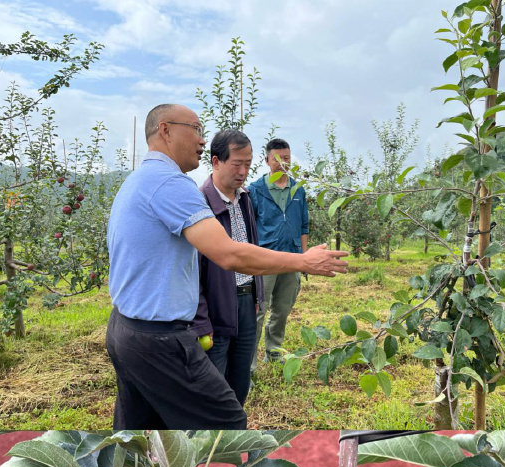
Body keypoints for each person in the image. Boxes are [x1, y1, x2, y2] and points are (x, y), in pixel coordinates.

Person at [105, 104, 348, 429]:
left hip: (125, 328)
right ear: (165, 130)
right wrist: (303, 260)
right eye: (196, 129)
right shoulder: (171, 184)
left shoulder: (137, 180)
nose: (201, 140)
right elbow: (229, 255)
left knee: (141, 431)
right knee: (228, 423)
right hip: (159, 338)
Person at [193, 129, 263, 406]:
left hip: (246, 302)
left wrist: (257, 295)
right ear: (216, 161)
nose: (243, 171)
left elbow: (251, 249)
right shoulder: (200, 203)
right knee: (213, 384)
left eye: (248, 164)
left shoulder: (245, 199)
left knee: (240, 378)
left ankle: (234, 425)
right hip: (216, 306)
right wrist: (201, 318)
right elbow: (193, 269)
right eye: (237, 164)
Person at [248, 138, 310, 365]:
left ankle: (273, 352)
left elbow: (304, 225)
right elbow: (250, 226)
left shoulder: (298, 189)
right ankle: (249, 363)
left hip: (292, 257)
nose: (283, 163)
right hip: (265, 259)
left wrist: (304, 258)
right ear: (267, 160)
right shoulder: (255, 190)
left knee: (282, 309)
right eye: (277, 158)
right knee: (258, 310)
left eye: (286, 158)